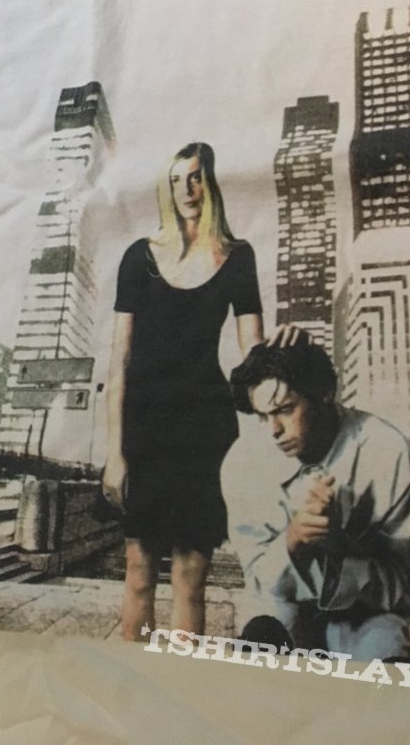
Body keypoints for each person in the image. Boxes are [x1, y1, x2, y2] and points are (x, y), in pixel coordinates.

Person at [103, 142, 285, 641]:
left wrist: (278, 381)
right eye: (177, 179)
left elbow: (254, 358)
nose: (187, 189)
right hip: (145, 428)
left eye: (196, 177)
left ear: (212, 182)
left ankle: (182, 681)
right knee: (139, 573)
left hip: (205, 430)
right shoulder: (138, 257)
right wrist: (115, 454)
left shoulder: (238, 257)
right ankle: (130, 677)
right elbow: (119, 363)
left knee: (190, 580)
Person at [224, 339, 410, 663]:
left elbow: (397, 588)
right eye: (262, 416)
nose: (273, 430)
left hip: (366, 615)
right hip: (281, 605)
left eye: (285, 410)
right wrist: (292, 542)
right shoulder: (242, 462)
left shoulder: (388, 450)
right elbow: (258, 582)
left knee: (388, 666)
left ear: (324, 393)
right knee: (259, 647)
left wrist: (338, 544)